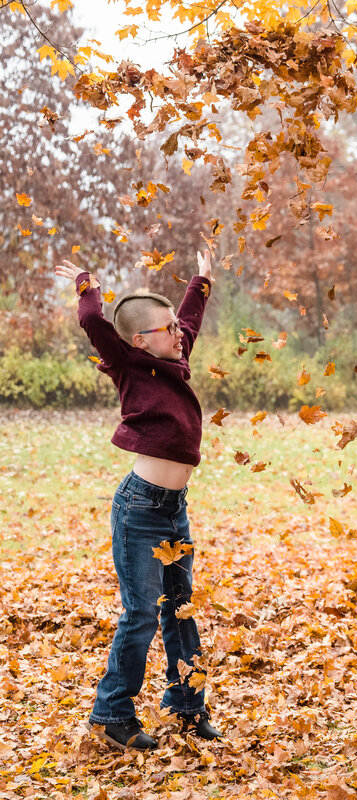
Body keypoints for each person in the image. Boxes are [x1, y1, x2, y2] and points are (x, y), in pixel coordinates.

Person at [54, 252, 221, 751]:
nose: (179, 333)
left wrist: (202, 279)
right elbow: (91, 319)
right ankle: (111, 714)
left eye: (175, 328)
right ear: (140, 340)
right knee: (142, 613)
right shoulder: (129, 362)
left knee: (181, 610)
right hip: (140, 510)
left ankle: (187, 707)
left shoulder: (174, 354)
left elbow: (190, 316)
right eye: (167, 329)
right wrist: (87, 284)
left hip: (174, 508)